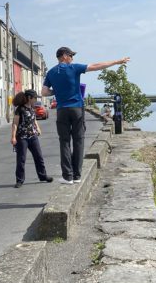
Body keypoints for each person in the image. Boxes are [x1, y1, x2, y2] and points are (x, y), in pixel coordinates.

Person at [41, 47, 129, 184]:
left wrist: (56, 91)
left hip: (62, 110)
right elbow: (96, 66)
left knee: (64, 142)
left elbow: (44, 92)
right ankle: (77, 176)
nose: (72, 58)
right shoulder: (74, 68)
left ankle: (67, 176)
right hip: (76, 108)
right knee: (78, 140)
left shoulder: (51, 72)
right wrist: (117, 61)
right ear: (64, 56)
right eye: (71, 55)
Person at [11, 90, 53, 188]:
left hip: (33, 136)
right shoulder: (20, 109)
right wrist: (13, 137)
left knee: (39, 157)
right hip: (22, 137)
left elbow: (33, 119)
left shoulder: (32, 108)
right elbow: (15, 124)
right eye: (35, 98)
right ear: (29, 98)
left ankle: (43, 176)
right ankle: (20, 180)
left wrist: (37, 128)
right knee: (21, 159)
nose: (36, 100)